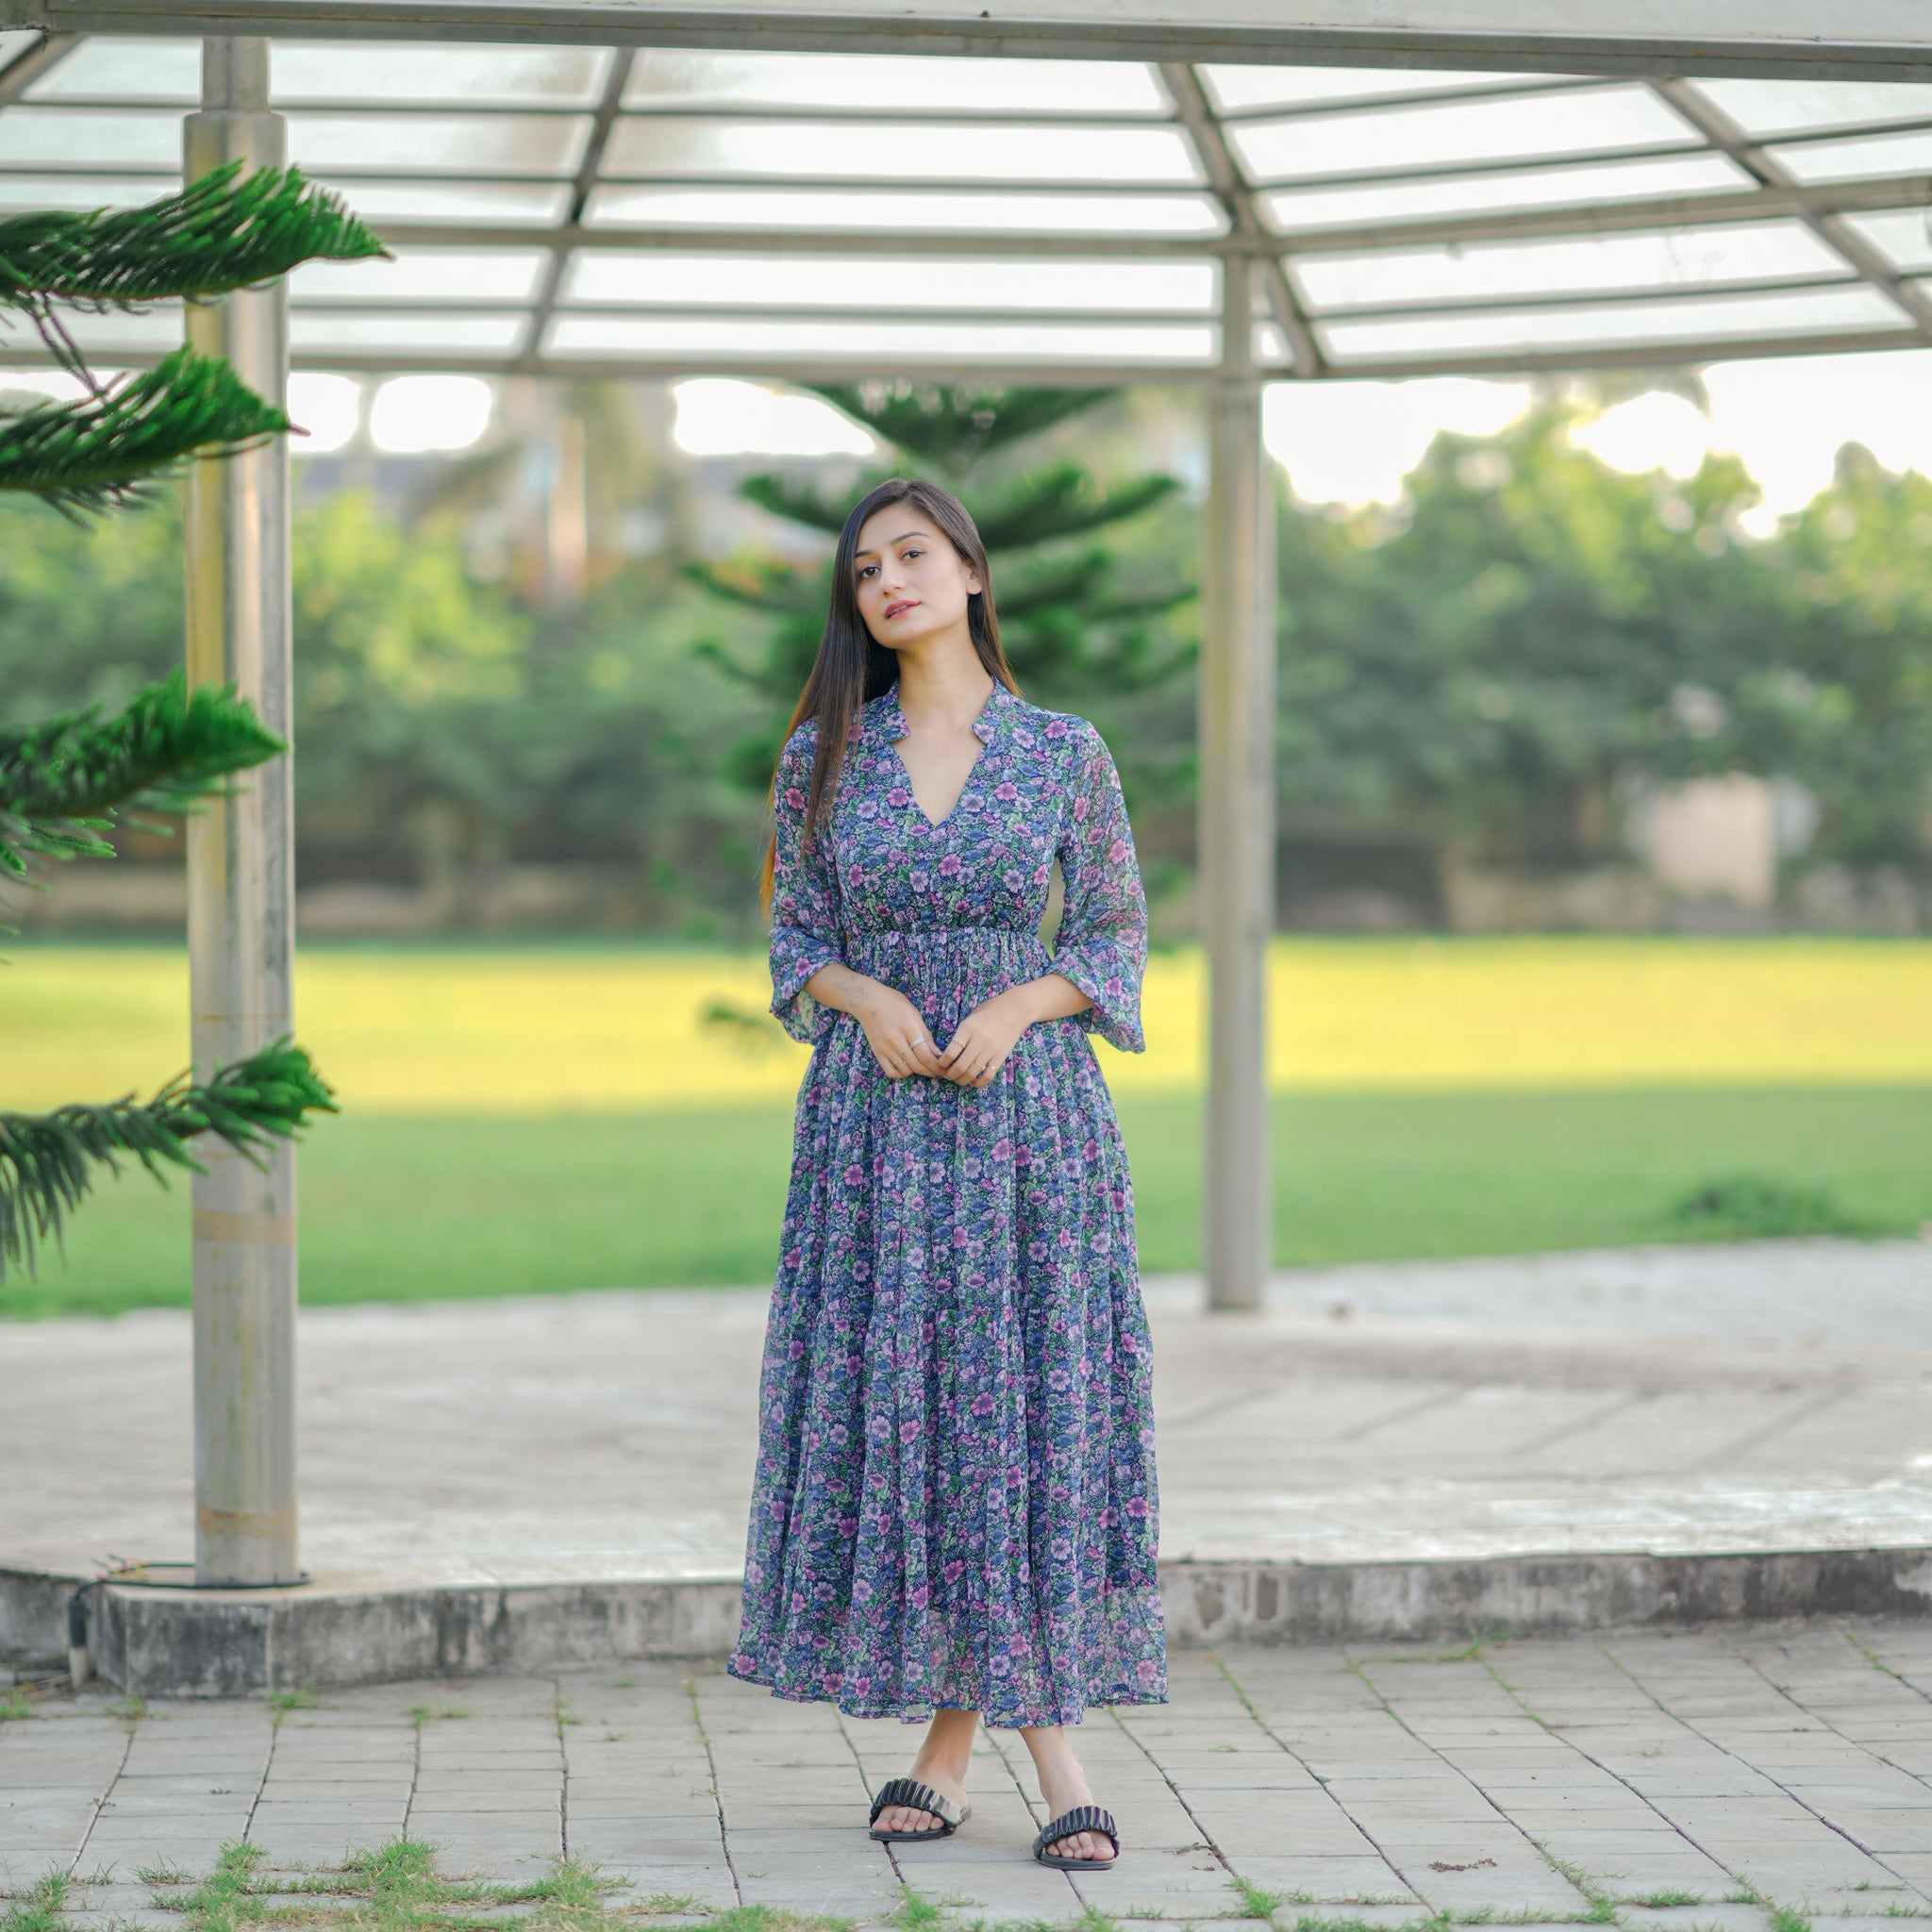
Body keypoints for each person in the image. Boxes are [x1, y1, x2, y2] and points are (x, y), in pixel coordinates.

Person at [728, 475, 1165, 1872]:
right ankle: (984, 1750)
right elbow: (796, 943)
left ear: (973, 572)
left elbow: (1110, 935)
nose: (885, 583)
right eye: (864, 569)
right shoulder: (823, 759)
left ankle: (1024, 1753)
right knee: (916, 1418)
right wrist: (861, 996)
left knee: (1017, 1414)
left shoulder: (1061, 752)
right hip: (873, 1139)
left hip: (1030, 1130)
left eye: (912, 556)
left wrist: (1022, 1006)